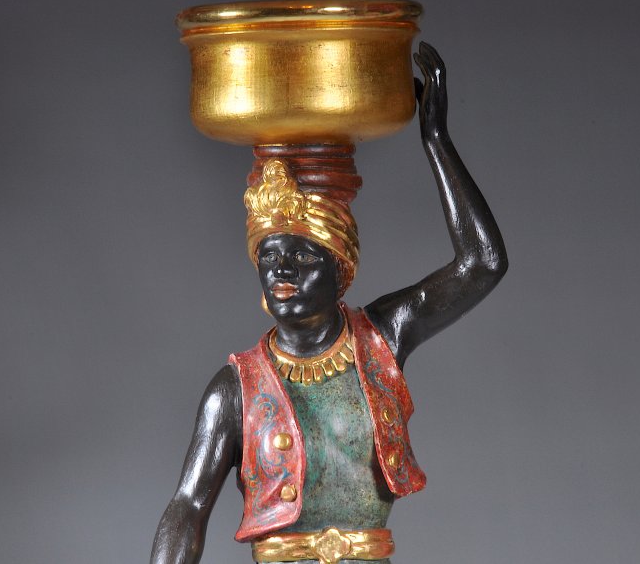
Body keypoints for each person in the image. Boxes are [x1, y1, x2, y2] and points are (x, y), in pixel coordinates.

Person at [150, 42, 508, 564]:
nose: (282, 271)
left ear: (341, 269)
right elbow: (187, 505)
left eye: (302, 255)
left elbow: (482, 264)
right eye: (269, 256)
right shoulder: (235, 390)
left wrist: (437, 141)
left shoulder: (381, 338)